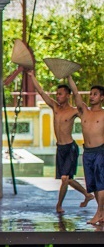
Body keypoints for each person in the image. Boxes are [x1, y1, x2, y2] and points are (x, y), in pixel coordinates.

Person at [28, 71, 93, 212]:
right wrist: (32, 76)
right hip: (60, 148)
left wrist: (69, 78)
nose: (58, 96)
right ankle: (85, 195)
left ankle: (60, 204)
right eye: (57, 94)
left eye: (61, 94)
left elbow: (77, 95)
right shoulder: (55, 107)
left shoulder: (74, 111)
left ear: (67, 95)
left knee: (65, 178)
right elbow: (41, 91)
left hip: (70, 148)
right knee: (67, 179)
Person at [67, 78, 104, 225]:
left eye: (95, 94)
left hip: (100, 151)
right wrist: (69, 77)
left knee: (101, 183)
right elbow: (76, 93)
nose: (92, 96)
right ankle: (101, 212)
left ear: (102, 97)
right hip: (87, 152)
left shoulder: (103, 114)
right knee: (93, 185)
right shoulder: (84, 111)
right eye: (91, 94)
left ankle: (99, 213)